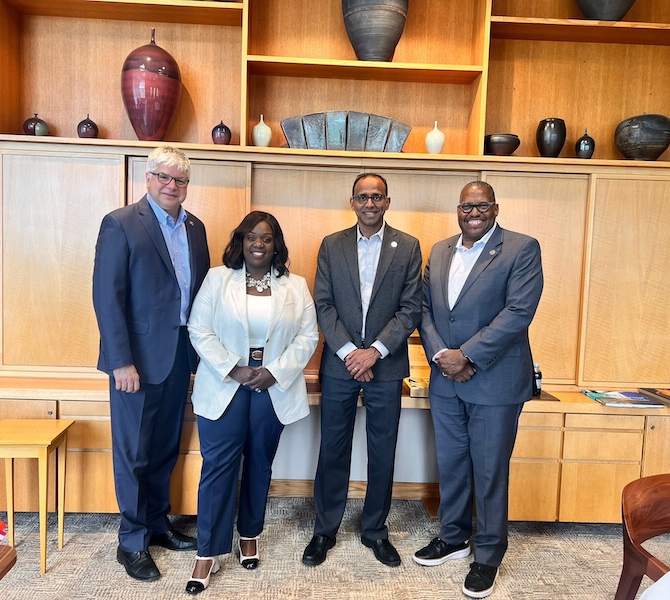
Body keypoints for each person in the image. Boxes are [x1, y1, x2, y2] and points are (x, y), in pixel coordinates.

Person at [416, 181, 543, 598]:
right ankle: (453, 537)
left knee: (489, 471)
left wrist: (467, 355)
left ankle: (487, 555)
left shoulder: (521, 248)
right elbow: (425, 310)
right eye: (467, 207)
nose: (474, 213)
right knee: (452, 464)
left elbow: (518, 312)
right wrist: (443, 356)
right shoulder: (440, 251)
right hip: (445, 380)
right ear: (458, 209)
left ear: (495, 209)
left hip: (495, 381)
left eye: (482, 206)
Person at [185, 211, 318, 594]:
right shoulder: (217, 279)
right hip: (224, 383)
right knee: (217, 468)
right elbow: (199, 329)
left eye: (266, 238)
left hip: (272, 386)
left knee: (259, 464)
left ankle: (250, 534)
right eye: (251, 237)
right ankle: (208, 552)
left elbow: (308, 336)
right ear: (240, 242)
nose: (258, 244)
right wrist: (234, 369)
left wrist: (274, 371)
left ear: (276, 245)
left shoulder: (295, 286)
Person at [92, 146, 210, 581]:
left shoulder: (195, 228)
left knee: (164, 448)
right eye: (164, 177)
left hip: (180, 354)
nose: (171, 186)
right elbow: (107, 298)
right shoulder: (121, 223)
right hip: (135, 362)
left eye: (180, 180)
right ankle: (132, 541)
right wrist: (120, 362)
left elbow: (200, 293)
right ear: (148, 178)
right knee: (134, 453)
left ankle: (158, 524)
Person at [302, 173, 422, 568]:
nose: (370, 203)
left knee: (382, 451)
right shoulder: (331, 245)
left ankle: (374, 531)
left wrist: (375, 353)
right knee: (332, 448)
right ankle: (324, 530)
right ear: (352, 202)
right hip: (340, 364)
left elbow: (410, 309)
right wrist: (353, 353)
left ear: (387, 202)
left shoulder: (408, 246)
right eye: (362, 197)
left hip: (386, 366)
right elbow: (323, 304)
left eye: (377, 197)